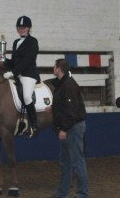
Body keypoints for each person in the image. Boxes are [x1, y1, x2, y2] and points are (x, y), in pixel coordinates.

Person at [49, 59, 89, 198]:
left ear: (59, 69)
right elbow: (66, 106)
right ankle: (62, 192)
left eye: (54, 66)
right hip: (69, 128)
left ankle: (82, 194)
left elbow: (71, 111)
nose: (53, 68)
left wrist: (64, 129)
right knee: (66, 162)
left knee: (77, 162)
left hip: (72, 128)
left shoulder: (68, 85)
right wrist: (54, 109)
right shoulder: (64, 84)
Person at [2, 15, 40, 138]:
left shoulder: (33, 41)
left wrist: (13, 73)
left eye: (24, 27)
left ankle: (34, 125)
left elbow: (27, 61)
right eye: (19, 27)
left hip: (29, 75)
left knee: (27, 96)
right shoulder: (15, 42)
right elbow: (14, 62)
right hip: (17, 75)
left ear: (29, 28)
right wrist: (4, 60)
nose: (21, 29)